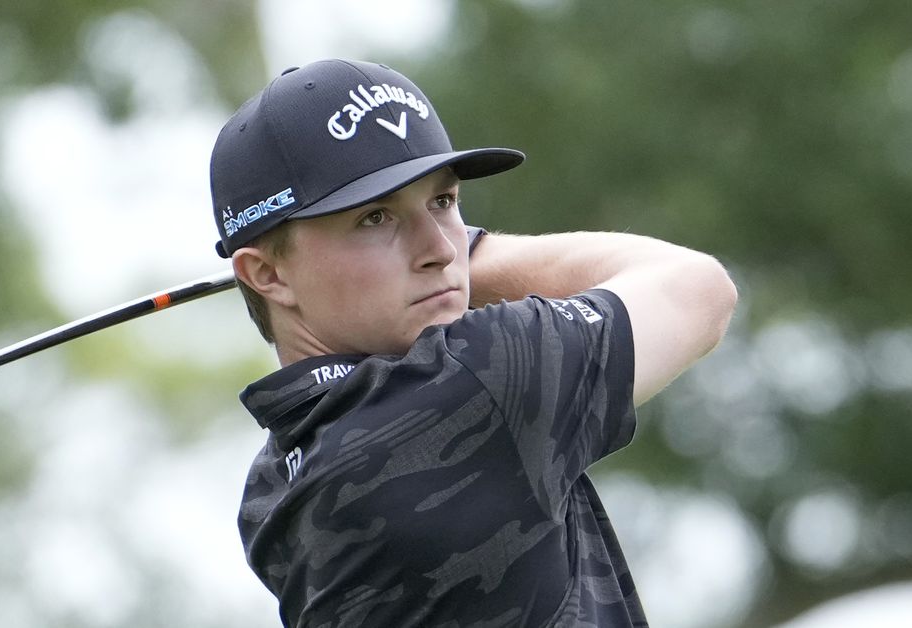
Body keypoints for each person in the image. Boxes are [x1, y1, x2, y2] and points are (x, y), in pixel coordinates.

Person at [208, 59, 737, 627]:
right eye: (375, 218)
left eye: (443, 202)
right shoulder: (475, 379)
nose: (440, 248)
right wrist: (475, 253)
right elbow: (699, 289)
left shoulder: (270, 488)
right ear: (268, 275)